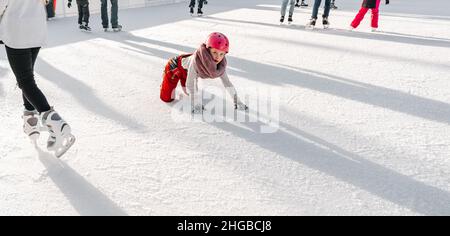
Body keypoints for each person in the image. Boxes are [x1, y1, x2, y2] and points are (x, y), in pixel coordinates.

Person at [0, 0, 75, 157]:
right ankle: (30, 120)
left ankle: (57, 124)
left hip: (17, 30)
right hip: (36, 29)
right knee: (27, 78)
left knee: (25, 80)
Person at [160, 32, 248, 114]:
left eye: (222, 54)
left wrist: (237, 101)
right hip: (174, 68)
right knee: (167, 98)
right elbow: (190, 84)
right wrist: (196, 104)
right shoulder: (196, 62)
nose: (218, 57)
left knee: (188, 92)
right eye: (214, 52)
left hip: (187, 72)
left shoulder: (220, 66)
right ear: (207, 50)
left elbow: (227, 83)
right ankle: (164, 84)